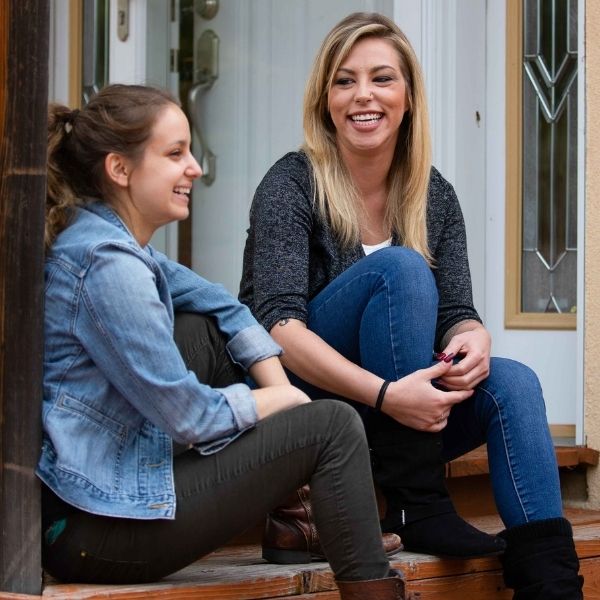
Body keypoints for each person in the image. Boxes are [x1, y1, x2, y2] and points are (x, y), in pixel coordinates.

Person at [239, 12, 584, 599]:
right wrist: (384, 395)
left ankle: (552, 584)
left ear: (408, 98)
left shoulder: (433, 192)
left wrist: (472, 336)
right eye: (345, 81)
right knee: (400, 269)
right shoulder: (292, 183)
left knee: (514, 383)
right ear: (325, 100)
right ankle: (418, 502)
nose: (363, 96)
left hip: (405, 418)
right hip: (316, 408)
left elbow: (457, 311)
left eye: (382, 79)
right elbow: (276, 325)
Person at [38, 83, 406, 599]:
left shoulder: (104, 235)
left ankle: (299, 519)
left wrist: (276, 384)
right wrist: (285, 400)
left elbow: (223, 304)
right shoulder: (107, 265)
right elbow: (190, 418)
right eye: (174, 154)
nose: (195, 167)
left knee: (204, 329)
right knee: (332, 425)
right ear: (119, 170)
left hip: (104, 488)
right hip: (98, 528)